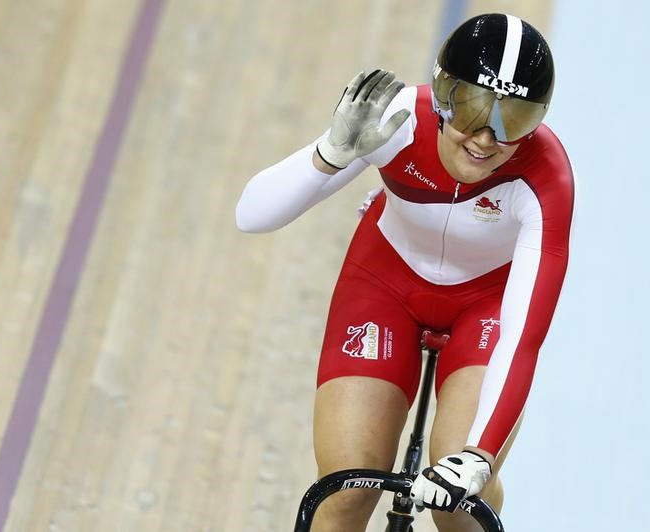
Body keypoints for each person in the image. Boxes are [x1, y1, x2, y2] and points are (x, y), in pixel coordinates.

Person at [236, 13, 574, 532]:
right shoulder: (396, 121)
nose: (486, 138)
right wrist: (329, 155)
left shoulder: (547, 177)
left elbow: (523, 336)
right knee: (347, 490)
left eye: (515, 119)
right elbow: (252, 216)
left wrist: (479, 457)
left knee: (457, 503)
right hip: (385, 284)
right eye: (472, 109)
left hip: (484, 307)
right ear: (442, 94)